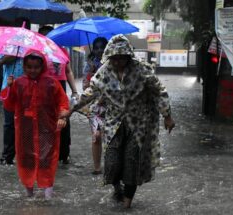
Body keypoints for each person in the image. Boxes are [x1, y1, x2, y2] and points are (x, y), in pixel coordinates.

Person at [61, 35, 175, 208]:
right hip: (114, 124)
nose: (118, 61)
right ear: (110, 57)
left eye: (122, 57)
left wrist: (167, 115)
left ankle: (127, 203)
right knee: (112, 161)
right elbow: (90, 93)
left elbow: (159, 91)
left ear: (129, 56)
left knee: (132, 161)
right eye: (115, 58)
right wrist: (70, 110)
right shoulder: (104, 72)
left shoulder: (142, 70)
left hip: (138, 124)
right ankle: (117, 188)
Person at [0, 51, 69, 199]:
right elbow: (9, 105)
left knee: (47, 158)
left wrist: (62, 117)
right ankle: (29, 193)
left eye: (36, 67)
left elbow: (62, 102)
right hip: (26, 130)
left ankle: (48, 194)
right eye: (29, 67)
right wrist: (10, 88)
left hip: (47, 129)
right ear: (23, 66)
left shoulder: (51, 83)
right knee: (26, 158)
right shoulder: (18, 83)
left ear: (42, 66)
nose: (32, 70)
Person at [38, 25, 79, 164]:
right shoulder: (38, 53)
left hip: (60, 87)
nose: (48, 38)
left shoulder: (62, 50)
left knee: (64, 119)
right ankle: (47, 153)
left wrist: (74, 91)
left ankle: (64, 153)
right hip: (44, 88)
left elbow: (68, 71)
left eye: (50, 35)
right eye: (44, 36)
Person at [0, 19, 29, 165]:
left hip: (27, 89)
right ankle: (7, 156)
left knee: (25, 122)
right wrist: (16, 51)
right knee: (9, 123)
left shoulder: (32, 45)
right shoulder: (6, 42)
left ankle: (24, 155)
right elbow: (2, 60)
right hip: (8, 88)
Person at [82, 37, 108, 175]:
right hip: (94, 106)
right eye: (96, 47)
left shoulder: (112, 63)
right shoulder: (89, 64)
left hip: (111, 105)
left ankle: (111, 164)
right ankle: (97, 167)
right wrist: (91, 74)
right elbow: (85, 87)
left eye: (101, 47)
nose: (99, 50)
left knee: (111, 136)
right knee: (96, 136)